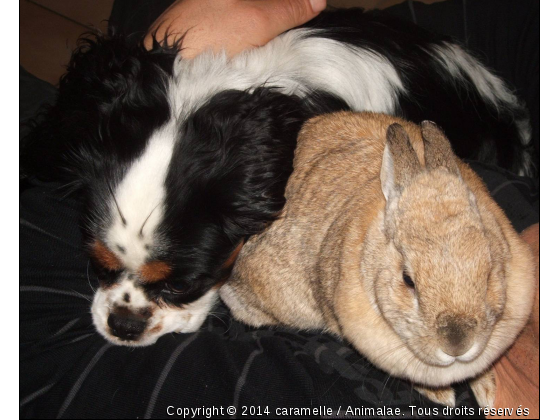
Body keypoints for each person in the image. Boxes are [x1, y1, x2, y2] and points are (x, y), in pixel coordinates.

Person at [20, 1, 538, 418]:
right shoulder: (230, 173)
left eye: (176, 285)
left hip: (493, 149)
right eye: (105, 268)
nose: (129, 311)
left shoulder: (286, 171)